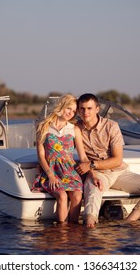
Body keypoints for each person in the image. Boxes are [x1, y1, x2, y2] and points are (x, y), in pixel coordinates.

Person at [75, 93, 140, 228]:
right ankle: (90, 230)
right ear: (78, 110)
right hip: (97, 174)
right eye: (82, 109)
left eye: (89, 108)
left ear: (97, 109)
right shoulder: (76, 129)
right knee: (93, 191)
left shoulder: (111, 126)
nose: (85, 112)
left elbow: (117, 160)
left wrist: (91, 164)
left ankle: (128, 223)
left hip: (118, 172)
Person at [31, 94, 92, 223]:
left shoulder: (74, 129)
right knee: (62, 196)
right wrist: (50, 175)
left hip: (70, 171)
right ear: (62, 106)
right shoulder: (43, 127)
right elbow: (41, 156)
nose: (71, 113)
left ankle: (73, 231)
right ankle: (62, 233)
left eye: (74, 111)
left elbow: (83, 157)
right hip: (51, 171)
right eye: (69, 108)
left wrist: (94, 175)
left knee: (76, 196)